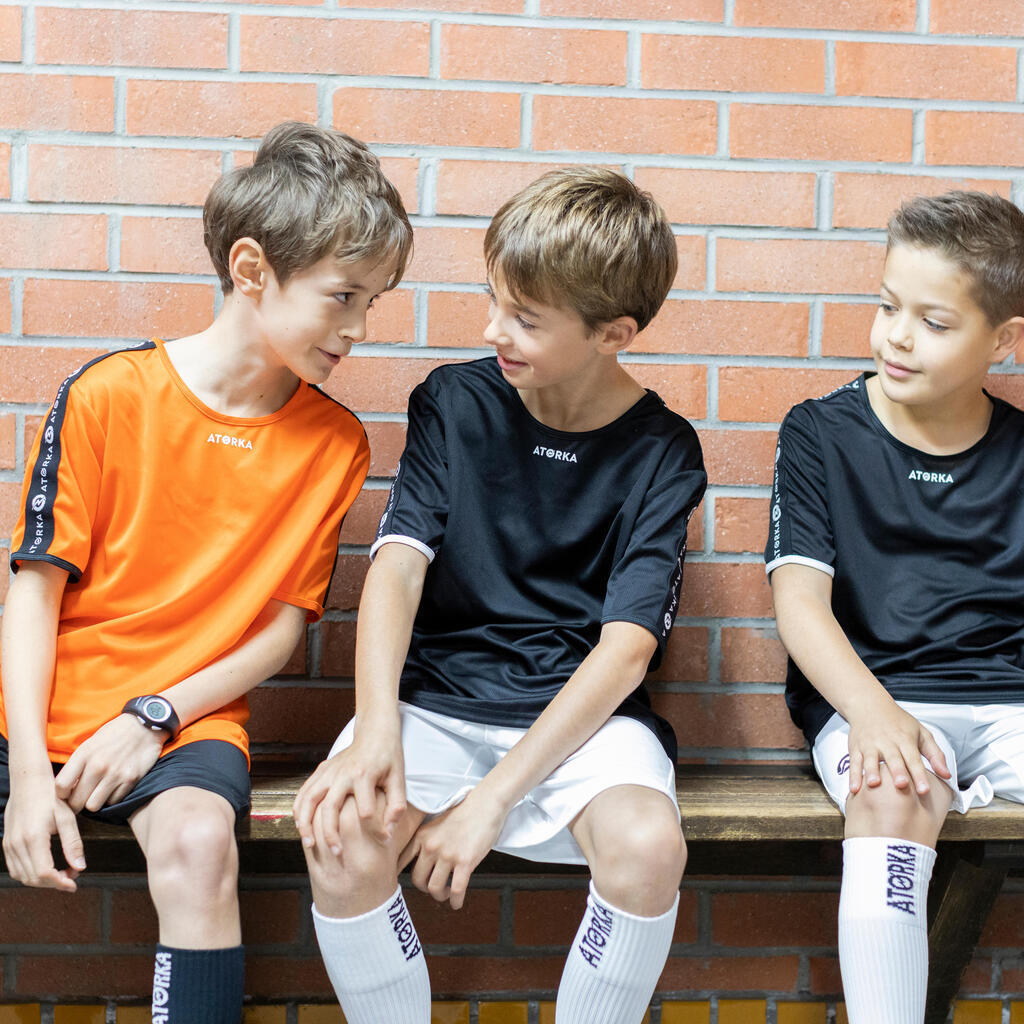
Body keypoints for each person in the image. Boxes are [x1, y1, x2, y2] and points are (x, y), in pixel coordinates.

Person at [0, 120, 412, 1024]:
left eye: (373, 304)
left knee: (199, 846)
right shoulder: (106, 395)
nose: (359, 329)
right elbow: (34, 594)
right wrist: (31, 777)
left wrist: (155, 715)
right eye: (343, 297)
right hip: (37, 713)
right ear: (252, 268)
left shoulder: (336, 441)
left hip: (185, 722)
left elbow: (281, 628)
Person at [293, 167, 707, 1023]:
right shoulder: (455, 400)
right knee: (341, 832)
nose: (495, 332)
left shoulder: (665, 450)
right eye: (493, 302)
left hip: (580, 721)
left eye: (525, 318)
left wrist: (492, 800)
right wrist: (375, 732)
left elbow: (627, 648)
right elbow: (398, 570)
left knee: (648, 847)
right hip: (438, 702)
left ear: (612, 333)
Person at [766, 191, 1024, 1024]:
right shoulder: (819, 433)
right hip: (875, 702)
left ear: (1003, 340)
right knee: (891, 794)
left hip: (1007, 705)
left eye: (935, 322)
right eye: (887, 307)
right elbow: (799, 602)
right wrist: (874, 715)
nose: (898, 336)